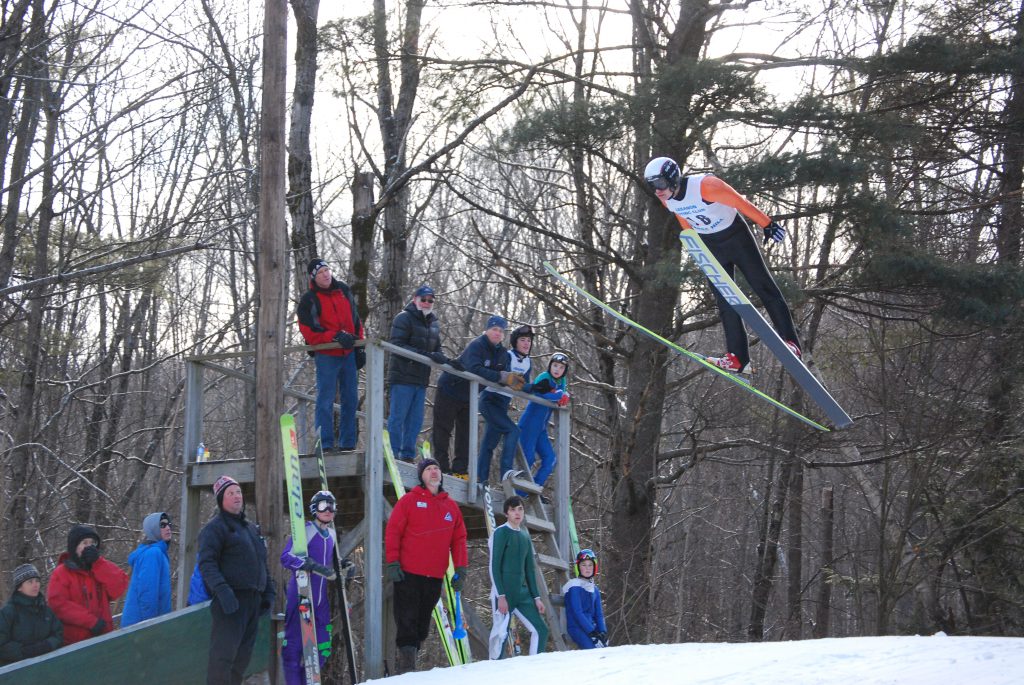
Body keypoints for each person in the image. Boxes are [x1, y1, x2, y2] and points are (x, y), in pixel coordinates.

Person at [644, 156, 802, 374]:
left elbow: (740, 202)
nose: (657, 190)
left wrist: (767, 224)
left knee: (763, 286)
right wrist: (696, 246)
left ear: (672, 178)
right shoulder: (667, 199)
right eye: (651, 186)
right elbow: (684, 218)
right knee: (724, 299)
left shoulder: (706, 186)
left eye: (659, 183)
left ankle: (791, 343)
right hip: (711, 246)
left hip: (736, 237)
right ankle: (738, 359)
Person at [384, 458, 468, 674]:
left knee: (422, 624)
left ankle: (410, 666)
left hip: (434, 575)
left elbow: (459, 539)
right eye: (429, 469)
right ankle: (406, 669)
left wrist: (461, 568)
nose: (434, 472)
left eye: (437, 468)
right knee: (407, 620)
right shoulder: (409, 501)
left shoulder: (451, 507)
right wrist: (392, 561)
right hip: (408, 573)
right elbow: (393, 531)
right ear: (421, 476)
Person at [198, 475, 276, 685]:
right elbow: (207, 563)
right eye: (231, 493)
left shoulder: (250, 529)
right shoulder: (215, 528)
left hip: (253, 601)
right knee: (222, 658)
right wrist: (222, 590)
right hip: (230, 601)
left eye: (239, 492)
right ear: (221, 498)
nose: (236, 497)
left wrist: (268, 592)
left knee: (242, 660)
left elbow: (261, 562)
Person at [432, 315, 522, 479]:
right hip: (450, 389)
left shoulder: (502, 353)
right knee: (443, 429)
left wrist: (511, 380)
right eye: (494, 329)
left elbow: (504, 375)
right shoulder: (477, 345)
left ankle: (460, 470)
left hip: (469, 396)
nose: (497, 333)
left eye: (501, 331)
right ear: (487, 330)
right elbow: (475, 369)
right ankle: (441, 467)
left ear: (503, 335)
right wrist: (500, 376)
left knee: (465, 433)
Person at [297, 258, 366, 451]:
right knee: (325, 399)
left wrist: (360, 345)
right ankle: (325, 443)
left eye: (327, 270)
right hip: (327, 354)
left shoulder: (343, 290)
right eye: (320, 273)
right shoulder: (309, 299)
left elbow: (356, 319)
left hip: (348, 352)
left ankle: (348, 443)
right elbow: (309, 332)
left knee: (351, 398)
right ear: (313, 277)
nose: (326, 274)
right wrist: (334, 336)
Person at [388, 284, 457, 462]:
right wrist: (428, 356)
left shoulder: (433, 322)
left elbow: (437, 348)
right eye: (423, 299)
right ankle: (393, 453)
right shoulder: (403, 318)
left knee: (415, 420)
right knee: (398, 417)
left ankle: (408, 454)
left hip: (420, 379)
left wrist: (447, 360)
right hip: (403, 376)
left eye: (430, 300)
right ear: (415, 300)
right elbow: (397, 345)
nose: (427, 303)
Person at [280, 490, 340, 685]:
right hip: (301, 596)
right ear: (315, 509)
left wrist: (344, 564)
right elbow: (286, 557)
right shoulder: (306, 530)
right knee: (293, 649)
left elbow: (332, 561)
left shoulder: (331, 534)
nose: (328, 510)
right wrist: (308, 564)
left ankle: (308, 681)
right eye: (323, 505)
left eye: (332, 506)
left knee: (323, 648)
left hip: (321, 601)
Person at [487, 496, 548, 659]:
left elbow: (529, 570)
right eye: (513, 509)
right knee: (500, 636)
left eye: (520, 509)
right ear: (506, 513)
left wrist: (536, 597)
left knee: (540, 630)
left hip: (522, 594)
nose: (517, 513)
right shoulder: (500, 533)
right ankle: (494, 674)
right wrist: (501, 596)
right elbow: (494, 566)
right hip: (504, 594)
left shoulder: (525, 536)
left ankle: (534, 670)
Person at [47, 524, 128, 645]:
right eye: (84, 543)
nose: (89, 547)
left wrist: (98, 563)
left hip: (104, 638)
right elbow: (58, 605)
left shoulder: (99, 568)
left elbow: (119, 586)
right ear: (74, 547)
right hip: (76, 643)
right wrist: (91, 622)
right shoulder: (61, 573)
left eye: (92, 543)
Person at [477, 324, 534, 484]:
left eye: (529, 341)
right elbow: (511, 381)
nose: (526, 344)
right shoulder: (507, 355)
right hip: (490, 400)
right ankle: (506, 473)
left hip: (503, 404)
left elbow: (525, 387)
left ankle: (481, 478)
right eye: (522, 340)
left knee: (490, 442)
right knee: (513, 430)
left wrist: (540, 389)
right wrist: (528, 386)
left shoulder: (528, 362)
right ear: (515, 342)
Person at [518, 352, 570, 493]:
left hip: (541, 429)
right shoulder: (544, 377)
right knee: (528, 459)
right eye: (554, 365)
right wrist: (559, 396)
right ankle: (519, 493)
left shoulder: (562, 382)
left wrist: (564, 397)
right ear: (550, 366)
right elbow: (539, 393)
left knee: (550, 459)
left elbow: (560, 398)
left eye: (561, 367)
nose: (557, 369)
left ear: (565, 370)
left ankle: (534, 489)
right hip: (529, 425)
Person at [0, 564, 62, 664]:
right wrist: (24, 651)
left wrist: (48, 645)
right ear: (19, 587)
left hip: (48, 664)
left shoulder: (46, 610)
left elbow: (58, 634)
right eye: (30, 582)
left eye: (37, 581)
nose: (35, 585)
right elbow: (2, 644)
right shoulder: (8, 612)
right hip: (17, 670)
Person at [121, 512, 173, 627]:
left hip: (149, 623)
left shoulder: (158, 552)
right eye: (162, 525)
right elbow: (147, 593)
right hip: (140, 626)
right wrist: (150, 627)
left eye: (169, 524)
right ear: (153, 529)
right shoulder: (152, 554)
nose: (168, 528)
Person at [562, 548, 607, 650]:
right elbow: (577, 613)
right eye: (584, 565)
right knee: (592, 651)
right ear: (578, 567)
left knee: (605, 650)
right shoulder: (574, 586)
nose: (587, 568)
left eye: (590, 565)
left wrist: (603, 632)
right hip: (577, 628)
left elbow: (599, 614)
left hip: (592, 628)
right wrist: (592, 633)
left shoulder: (594, 589)